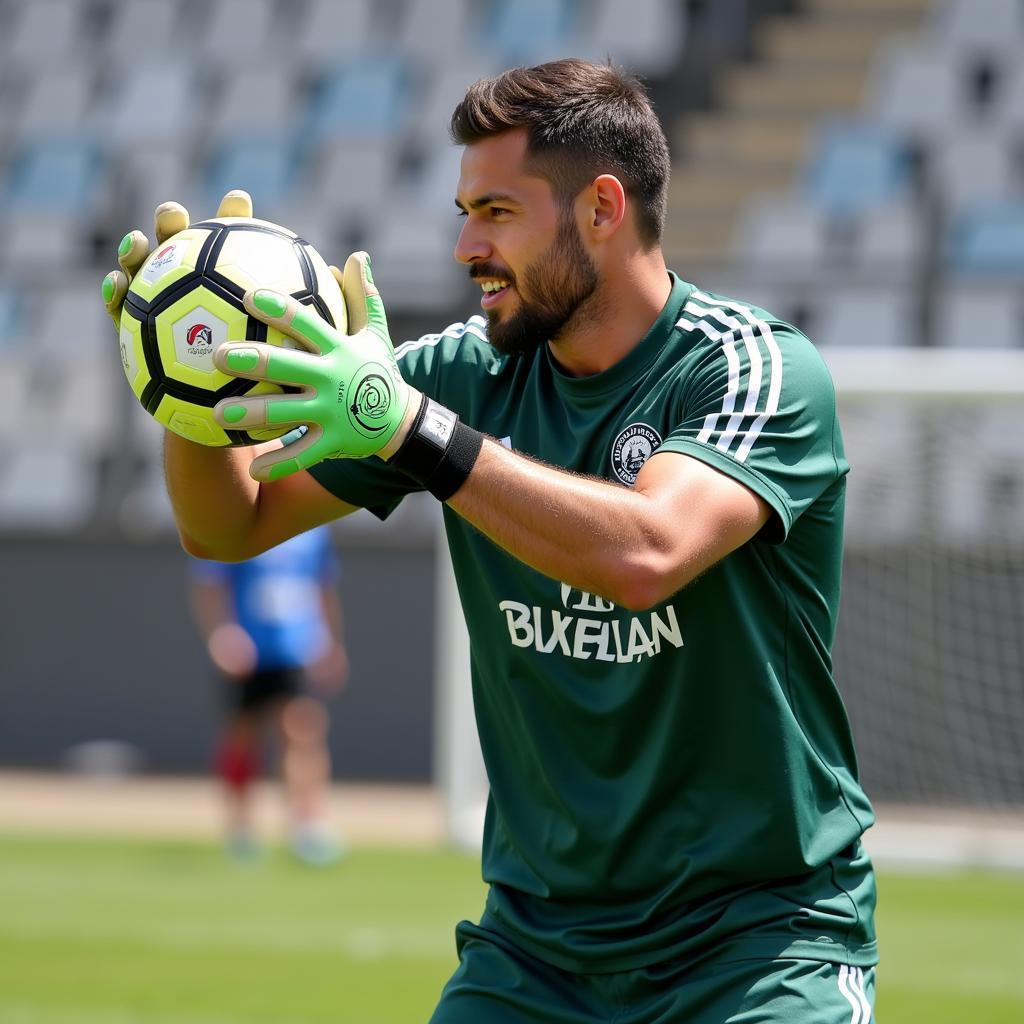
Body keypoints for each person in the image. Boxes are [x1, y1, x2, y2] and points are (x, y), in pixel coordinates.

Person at [104, 59, 877, 1023]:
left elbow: (646, 553)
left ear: (603, 207)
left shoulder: (754, 367)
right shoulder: (461, 379)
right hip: (536, 952)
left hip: (758, 946)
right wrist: (190, 377)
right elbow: (228, 523)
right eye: (464, 210)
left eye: (498, 212)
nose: (467, 245)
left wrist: (412, 431)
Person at [188, 523, 348, 864]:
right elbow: (210, 583)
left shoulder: (314, 528)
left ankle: (307, 825)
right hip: (249, 649)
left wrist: (331, 642)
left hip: (297, 647)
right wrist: (221, 634)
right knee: (242, 736)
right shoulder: (239, 523)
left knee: (303, 731)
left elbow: (323, 587)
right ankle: (241, 829)